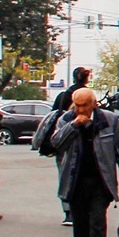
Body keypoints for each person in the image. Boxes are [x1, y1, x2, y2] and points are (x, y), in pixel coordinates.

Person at [38, 87, 119, 237]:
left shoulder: (109, 120)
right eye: (77, 105)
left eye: (84, 105)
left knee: (97, 224)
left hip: (100, 181)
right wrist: (74, 125)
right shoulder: (66, 119)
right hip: (75, 181)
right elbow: (56, 143)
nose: (80, 109)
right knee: (81, 225)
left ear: (93, 103)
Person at [49, 68, 92, 224]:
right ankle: (82, 210)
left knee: (65, 175)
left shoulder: (63, 95)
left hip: (64, 142)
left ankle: (68, 212)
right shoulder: (88, 95)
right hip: (82, 140)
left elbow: (54, 114)